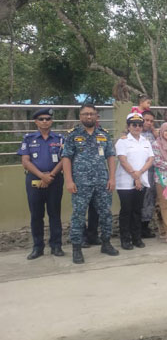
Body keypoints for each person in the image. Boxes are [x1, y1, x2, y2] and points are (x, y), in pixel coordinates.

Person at [61, 103, 119, 264]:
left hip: (102, 182)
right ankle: (76, 249)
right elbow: (66, 158)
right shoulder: (73, 135)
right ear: (80, 117)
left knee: (106, 214)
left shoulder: (104, 134)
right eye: (85, 114)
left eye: (92, 114)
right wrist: (69, 180)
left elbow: (110, 157)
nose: (89, 116)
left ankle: (106, 243)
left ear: (96, 116)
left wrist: (112, 178)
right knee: (78, 216)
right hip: (80, 184)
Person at [18, 108, 65, 259]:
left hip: (55, 179)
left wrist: (50, 175)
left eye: (47, 119)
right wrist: (41, 176)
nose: (45, 121)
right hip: (34, 180)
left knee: (54, 214)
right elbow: (25, 161)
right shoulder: (28, 138)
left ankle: (56, 246)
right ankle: (38, 247)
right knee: (36, 215)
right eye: (41, 119)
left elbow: (65, 159)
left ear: (51, 121)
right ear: (36, 121)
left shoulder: (60, 139)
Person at [115, 113, 154, 250]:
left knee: (137, 210)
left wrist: (140, 174)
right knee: (126, 211)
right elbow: (122, 160)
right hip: (125, 183)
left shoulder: (145, 141)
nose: (137, 127)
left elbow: (150, 159)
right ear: (128, 126)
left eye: (139, 125)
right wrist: (135, 176)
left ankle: (136, 238)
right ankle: (125, 239)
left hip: (141, 181)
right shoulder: (123, 141)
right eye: (134, 125)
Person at [140, 110, 157, 238]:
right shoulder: (132, 133)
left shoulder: (154, 134)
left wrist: (156, 134)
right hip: (136, 172)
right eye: (146, 120)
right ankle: (135, 227)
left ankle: (145, 227)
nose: (149, 123)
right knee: (138, 199)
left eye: (151, 121)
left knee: (149, 199)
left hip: (151, 171)